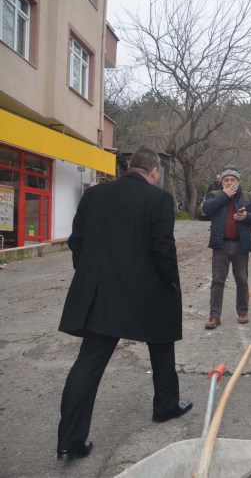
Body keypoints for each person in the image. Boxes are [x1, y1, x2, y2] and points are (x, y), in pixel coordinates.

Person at [57, 148, 191, 462]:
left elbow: (76, 242)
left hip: (101, 293)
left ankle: (69, 442)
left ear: (128, 168)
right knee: (161, 343)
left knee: (88, 363)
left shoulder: (94, 195)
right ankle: (165, 406)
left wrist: (90, 273)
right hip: (147, 292)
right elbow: (163, 249)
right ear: (154, 172)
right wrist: (171, 283)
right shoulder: (158, 199)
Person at [202, 166, 251, 329]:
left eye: (232, 180)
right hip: (220, 245)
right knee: (217, 281)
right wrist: (225, 195)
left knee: (242, 280)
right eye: (226, 180)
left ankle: (243, 312)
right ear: (221, 182)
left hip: (240, 244)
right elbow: (206, 210)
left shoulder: (249, 197)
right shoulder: (214, 195)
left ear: (238, 181)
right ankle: (214, 316)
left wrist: (246, 216)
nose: (229, 183)